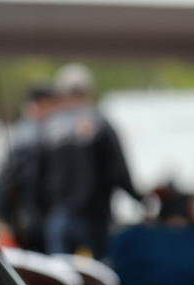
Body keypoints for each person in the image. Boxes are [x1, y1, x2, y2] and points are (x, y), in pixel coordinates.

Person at [41, 63, 141, 259]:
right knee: (99, 280)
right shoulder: (101, 123)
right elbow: (118, 170)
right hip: (94, 216)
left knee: (59, 280)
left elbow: (36, 174)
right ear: (89, 91)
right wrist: (140, 199)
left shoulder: (50, 127)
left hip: (59, 216)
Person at [0, 84, 56, 252]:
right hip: (38, 221)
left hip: (26, 220)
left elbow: (4, 183)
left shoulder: (22, 134)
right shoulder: (36, 136)